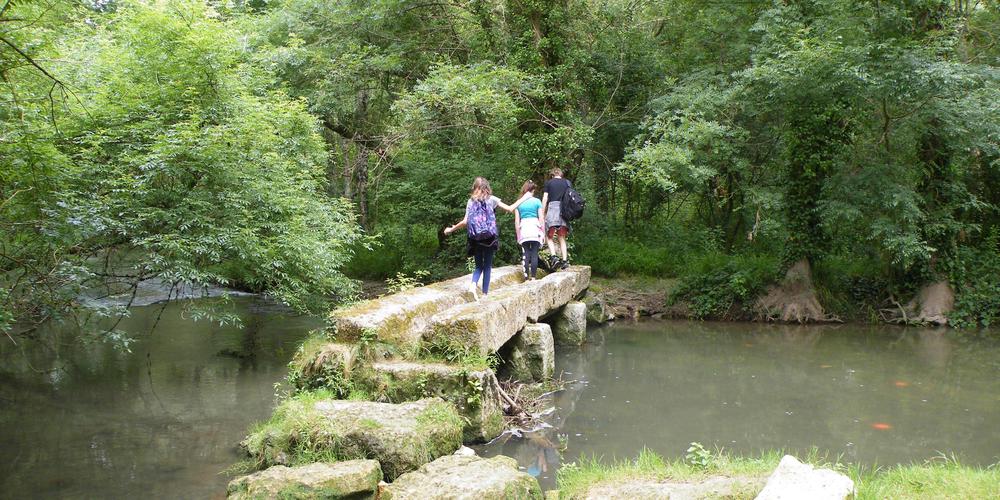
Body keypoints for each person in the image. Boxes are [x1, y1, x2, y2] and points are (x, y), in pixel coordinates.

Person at [444, 177, 529, 300]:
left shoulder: (470, 201)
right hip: (490, 237)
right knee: (487, 266)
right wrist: (524, 198)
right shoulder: (492, 199)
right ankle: (484, 295)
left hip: (476, 238)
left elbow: (465, 222)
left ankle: (472, 286)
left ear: (475, 188)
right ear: (487, 187)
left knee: (479, 266)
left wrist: (451, 229)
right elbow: (510, 208)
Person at [541, 167, 572, 269]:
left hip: (553, 209)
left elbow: (545, 198)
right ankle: (565, 261)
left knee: (549, 236)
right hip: (564, 210)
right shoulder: (567, 183)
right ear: (561, 174)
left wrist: (541, 211)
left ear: (552, 174)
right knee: (561, 237)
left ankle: (554, 257)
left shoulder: (549, 183)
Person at [514, 180, 544, 280]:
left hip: (524, 228)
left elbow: (517, 222)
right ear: (532, 190)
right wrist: (542, 232)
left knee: (526, 253)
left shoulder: (519, 203)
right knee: (534, 253)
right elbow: (541, 218)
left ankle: (526, 278)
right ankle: (534, 277)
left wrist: (518, 235)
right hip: (535, 227)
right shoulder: (537, 201)